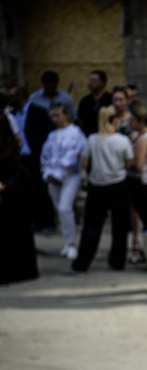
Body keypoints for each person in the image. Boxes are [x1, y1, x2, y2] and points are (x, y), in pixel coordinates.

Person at [67, 107, 133, 275]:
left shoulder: (92, 140)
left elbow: (85, 164)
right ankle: (117, 261)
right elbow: (128, 163)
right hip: (118, 184)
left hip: (97, 186)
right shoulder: (123, 140)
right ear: (115, 121)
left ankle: (82, 263)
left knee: (91, 226)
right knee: (119, 226)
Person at [0, 94, 38, 286]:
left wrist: (4, 182)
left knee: (11, 233)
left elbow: (14, 161)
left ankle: (11, 272)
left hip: (11, 190)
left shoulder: (8, 135)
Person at [40, 104, 87, 260]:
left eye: (57, 115)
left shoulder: (75, 133)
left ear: (66, 115)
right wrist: (48, 173)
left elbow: (73, 156)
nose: (55, 119)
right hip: (52, 177)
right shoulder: (52, 135)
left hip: (70, 176)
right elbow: (45, 155)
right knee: (59, 209)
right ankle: (67, 240)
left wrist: (59, 173)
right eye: (52, 116)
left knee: (65, 207)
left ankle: (73, 243)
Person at [8, 86, 57, 234]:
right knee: (26, 192)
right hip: (20, 158)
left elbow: (49, 132)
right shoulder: (12, 114)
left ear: (21, 96)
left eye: (13, 96)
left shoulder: (38, 111)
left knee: (40, 189)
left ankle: (49, 222)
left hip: (36, 156)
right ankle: (36, 222)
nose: (11, 100)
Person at [127, 105, 147, 264]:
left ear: (141, 121)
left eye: (133, 120)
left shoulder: (143, 139)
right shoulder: (142, 136)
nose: (130, 123)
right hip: (145, 184)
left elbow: (138, 165)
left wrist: (124, 163)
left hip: (143, 184)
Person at [77, 70, 112, 136]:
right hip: (88, 136)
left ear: (102, 83)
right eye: (90, 80)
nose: (90, 83)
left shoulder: (109, 99)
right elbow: (80, 121)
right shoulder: (85, 101)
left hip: (106, 135)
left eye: (94, 81)